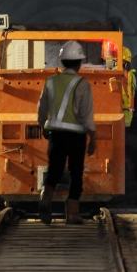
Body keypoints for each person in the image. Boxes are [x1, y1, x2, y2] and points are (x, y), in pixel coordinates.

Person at [37, 40, 96, 225]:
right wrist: (92, 136)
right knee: (75, 173)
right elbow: (86, 114)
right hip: (76, 136)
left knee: (54, 168)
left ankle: (46, 196)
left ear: (62, 61)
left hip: (55, 133)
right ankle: (72, 214)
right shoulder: (82, 84)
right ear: (79, 63)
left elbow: (41, 107)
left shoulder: (50, 81)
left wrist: (43, 126)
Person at [121, 47, 137, 127]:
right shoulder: (131, 77)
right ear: (126, 64)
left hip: (111, 113)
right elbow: (133, 94)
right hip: (126, 117)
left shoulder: (109, 75)